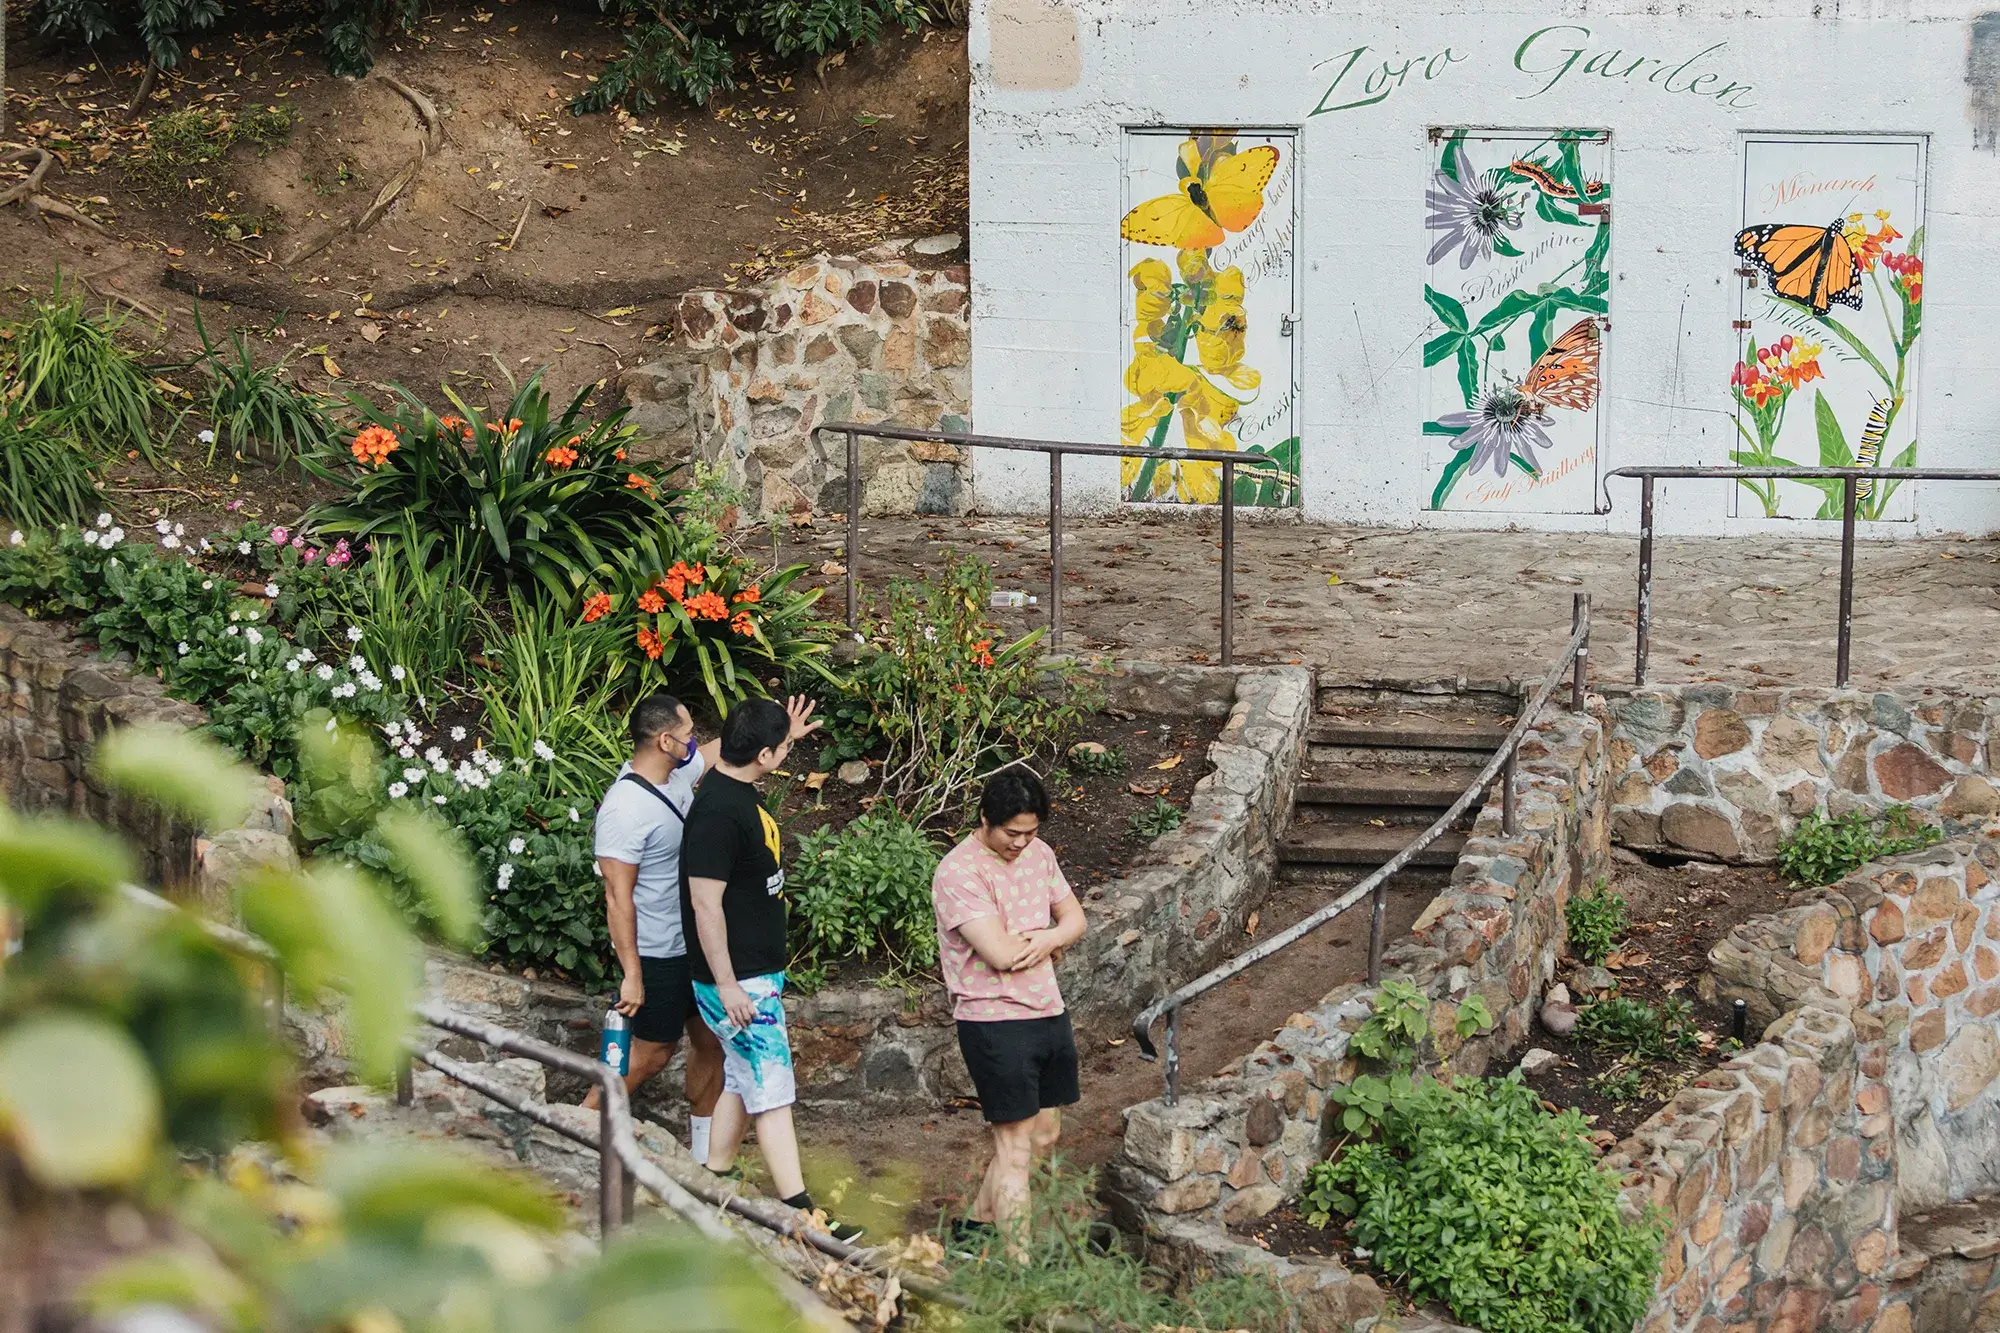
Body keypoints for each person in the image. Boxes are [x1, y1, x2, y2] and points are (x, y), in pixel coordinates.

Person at [680, 694, 863, 1240]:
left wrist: (784, 737)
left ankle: (714, 1178)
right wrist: (729, 985)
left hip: (754, 973)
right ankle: (805, 1212)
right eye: (782, 748)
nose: (787, 752)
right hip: (740, 985)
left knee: (741, 1075)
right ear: (762, 754)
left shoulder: (725, 777)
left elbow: (736, 749)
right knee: (774, 1091)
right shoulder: (718, 814)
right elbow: (704, 905)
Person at [931, 767, 1086, 1251]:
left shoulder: (1040, 855)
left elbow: (1075, 918)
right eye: (1011, 832)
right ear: (985, 819)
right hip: (994, 1020)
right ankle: (1019, 1270)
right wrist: (1051, 942)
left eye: (1031, 831)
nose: (1022, 843)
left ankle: (976, 1228)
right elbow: (1000, 954)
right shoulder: (958, 872)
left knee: (1043, 1135)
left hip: (1046, 1008)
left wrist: (1047, 938)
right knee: (1015, 1150)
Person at [585, 693, 725, 1162]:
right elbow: (616, 897)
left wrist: (773, 729)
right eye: (687, 734)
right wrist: (632, 974)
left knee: (711, 1044)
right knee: (649, 1055)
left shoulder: (675, 773)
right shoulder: (625, 811)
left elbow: (717, 752)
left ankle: (704, 1160)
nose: (694, 741)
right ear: (665, 741)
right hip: (656, 952)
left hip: (695, 945)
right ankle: (575, 1132)